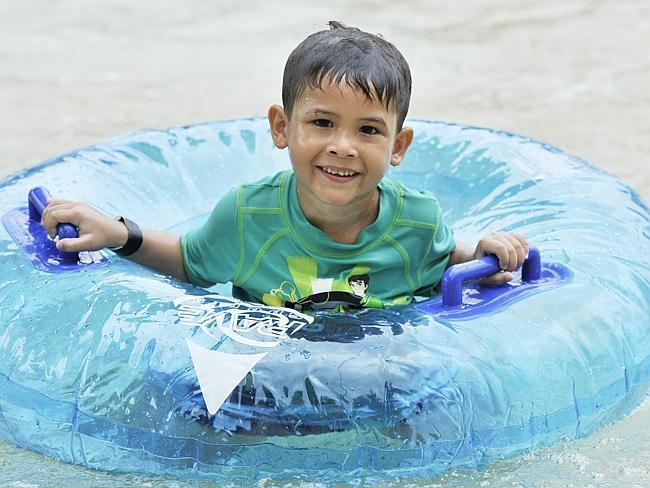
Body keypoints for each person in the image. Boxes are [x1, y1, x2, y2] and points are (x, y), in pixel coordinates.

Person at [41, 21, 528, 312]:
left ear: (398, 145)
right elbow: (190, 261)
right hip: (271, 381)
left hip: (375, 379)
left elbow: (442, 261)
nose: (343, 147)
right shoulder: (250, 217)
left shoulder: (417, 222)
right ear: (281, 128)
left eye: (369, 130)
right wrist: (120, 234)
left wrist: (484, 259)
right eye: (321, 122)